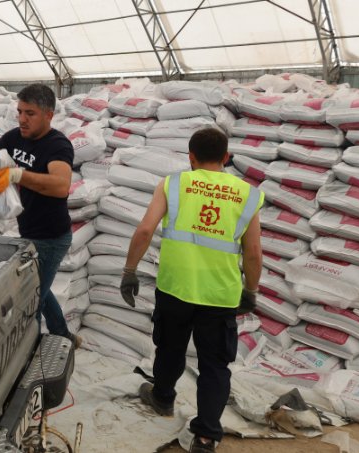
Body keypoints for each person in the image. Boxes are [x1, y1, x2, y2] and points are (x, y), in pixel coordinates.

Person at [121, 128, 263, 453]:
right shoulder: (247, 194)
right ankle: (205, 437)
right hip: (220, 294)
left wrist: (129, 271)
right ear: (226, 158)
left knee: (169, 347)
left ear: (191, 157)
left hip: (175, 287)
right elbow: (253, 252)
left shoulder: (173, 184)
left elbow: (144, 230)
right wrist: (250, 290)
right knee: (214, 364)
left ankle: (162, 397)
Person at [0, 83, 78, 345]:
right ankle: (64, 335)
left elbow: (60, 186)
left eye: (30, 113)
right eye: (20, 111)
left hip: (51, 238)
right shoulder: (14, 137)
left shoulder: (58, 145)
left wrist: (17, 174)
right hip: (29, 232)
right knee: (41, 291)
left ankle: (28, 353)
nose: (22, 119)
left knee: (31, 299)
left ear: (48, 115)